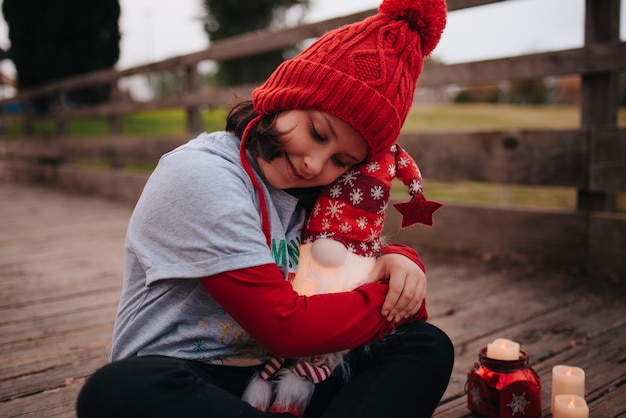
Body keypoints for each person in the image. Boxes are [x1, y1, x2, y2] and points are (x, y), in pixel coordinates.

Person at [76, 0, 453, 417]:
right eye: (316, 132)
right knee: (117, 389)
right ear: (286, 95)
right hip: (188, 375)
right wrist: (391, 300)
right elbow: (286, 327)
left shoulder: (317, 191)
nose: (315, 164)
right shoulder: (201, 174)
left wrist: (397, 260)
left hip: (279, 379)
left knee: (426, 345)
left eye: (342, 161)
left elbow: (348, 249)